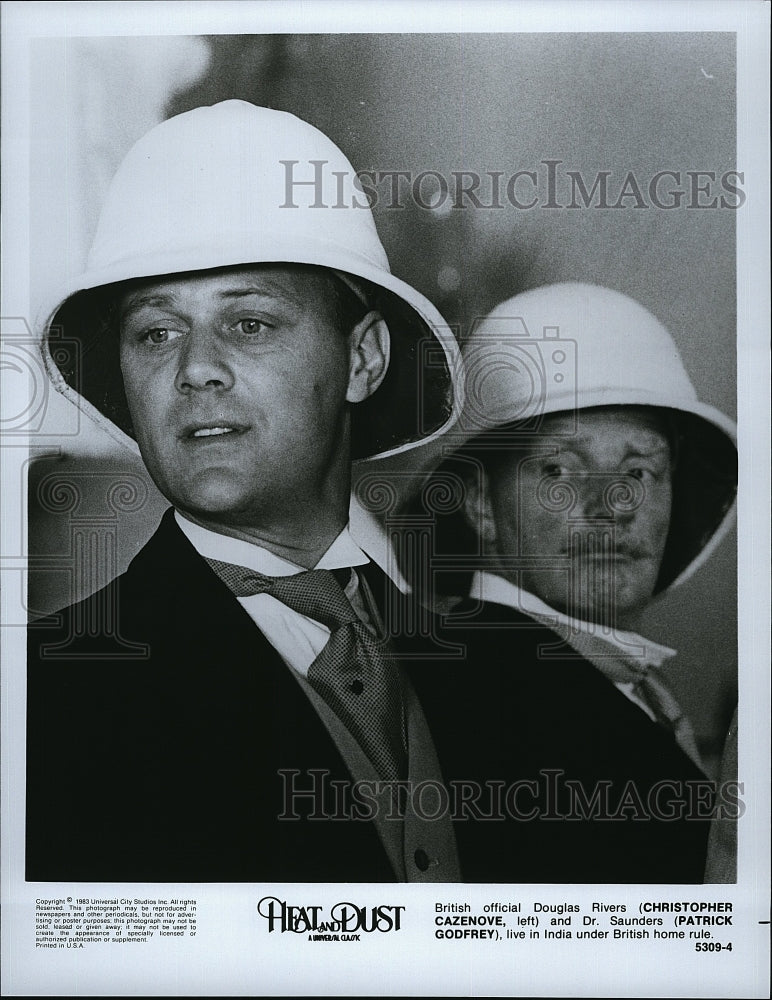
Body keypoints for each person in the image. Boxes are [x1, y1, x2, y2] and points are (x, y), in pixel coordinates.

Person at [26, 101, 465, 883]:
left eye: (251, 323)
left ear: (363, 360)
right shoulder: (42, 699)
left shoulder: (497, 670)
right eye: (156, 332)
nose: (196, 368)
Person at [407, 282, 738, 882]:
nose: (612, 504)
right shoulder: (472, 691)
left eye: (640, 469)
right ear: (480, 503)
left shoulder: (596, 682)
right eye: (559, 468)